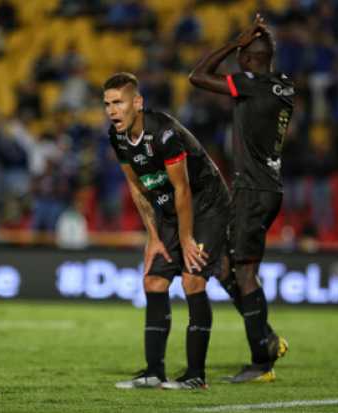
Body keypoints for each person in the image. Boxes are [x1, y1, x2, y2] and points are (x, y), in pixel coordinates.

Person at [104, 72, 230, 390]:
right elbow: (136, 186)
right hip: (172, 211)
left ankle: (196, 376)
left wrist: (187, 239)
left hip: (207, 205)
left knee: (192, 279)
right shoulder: (117, 137)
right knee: (153, 280)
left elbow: (183, 188)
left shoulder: (164, 132)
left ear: (138, 102)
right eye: (107, 104)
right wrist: (154, 238)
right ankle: (154, 372)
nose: (111, 110)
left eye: (118, 102)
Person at [189, 14, 292, 383]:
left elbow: (197, 76)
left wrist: (234, 42)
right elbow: (258, 67)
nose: (237, 61)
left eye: (241, 57)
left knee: (243, 273)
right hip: (268, 189)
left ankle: (261, 360)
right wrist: (254, 45)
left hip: (251, 190)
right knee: (225, 268)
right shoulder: (283, 86)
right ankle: (265, 338)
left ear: (248, 61)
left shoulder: (251, 86)